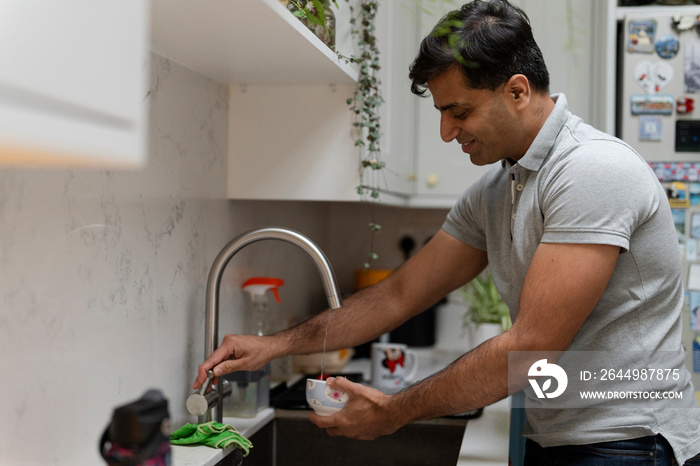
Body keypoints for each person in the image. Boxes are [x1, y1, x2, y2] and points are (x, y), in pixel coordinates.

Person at [194, 0, 700, 464]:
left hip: (631, 443)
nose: (447, 132)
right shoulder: (498, 189)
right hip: (561, 435)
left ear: (518, 91)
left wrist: (393, 411)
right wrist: (275, 346)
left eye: (459, 111)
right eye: (441, 113)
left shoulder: (591, 171)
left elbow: (533, 347)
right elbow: (398, 295)